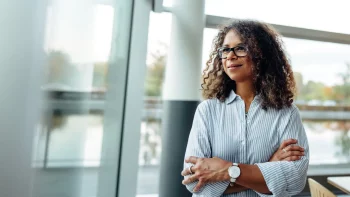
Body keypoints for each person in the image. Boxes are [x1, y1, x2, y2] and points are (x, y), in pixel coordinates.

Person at [181, 19, 309, 197]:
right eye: (226, 49)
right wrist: (269, 168)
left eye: (240, 48)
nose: (230, 56)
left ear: (261, 54)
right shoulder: (207, 110)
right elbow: (196, 183)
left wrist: (227, 170)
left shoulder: (287, 112)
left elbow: (295, 180)